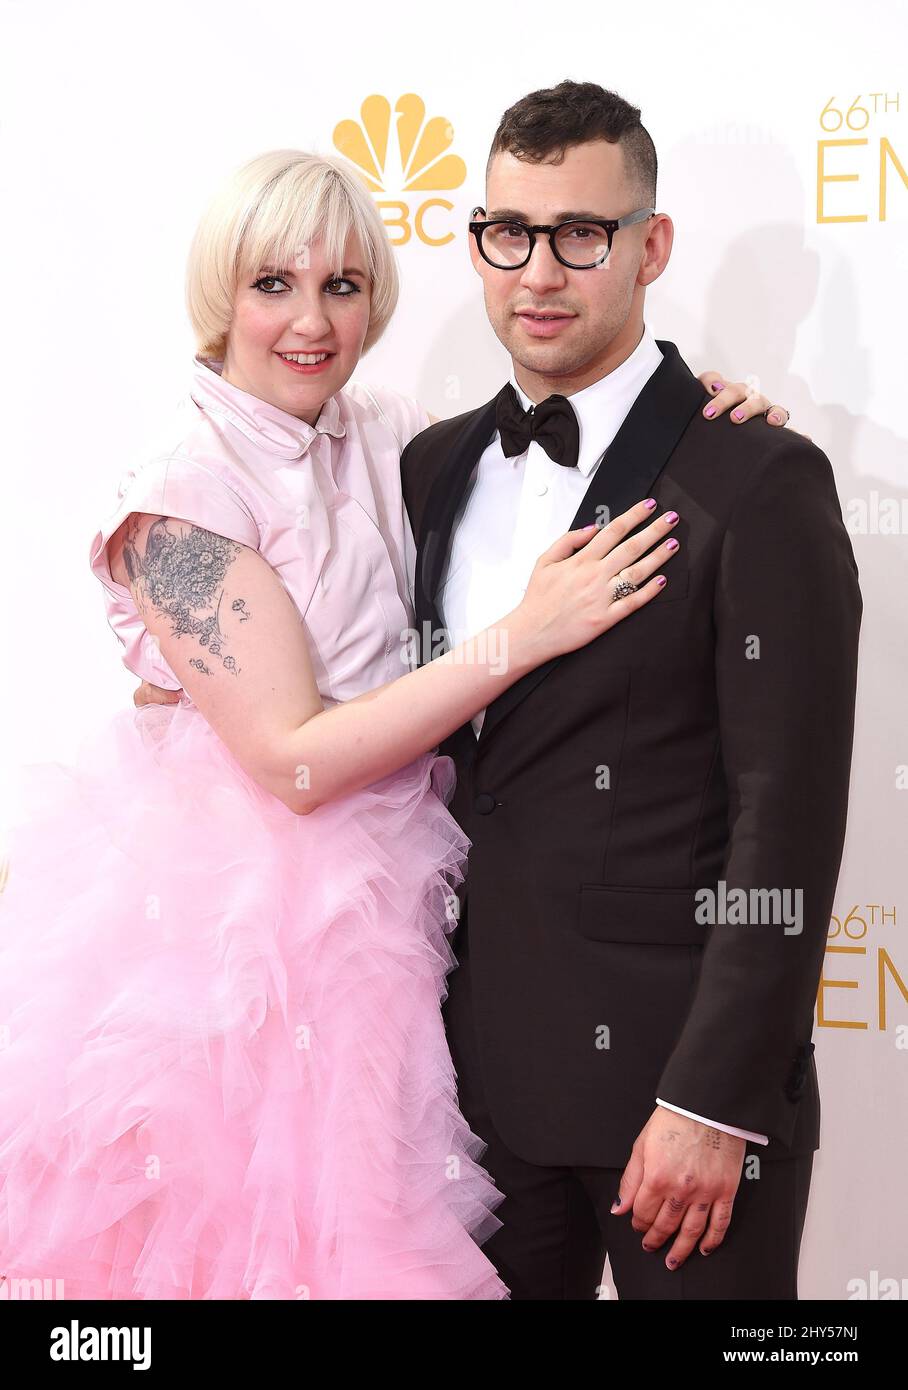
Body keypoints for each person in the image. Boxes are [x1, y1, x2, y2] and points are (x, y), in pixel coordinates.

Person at [0, 147, 701, 1302]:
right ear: (220, 295)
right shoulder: (180, 491)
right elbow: (293, 758)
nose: (311, 321)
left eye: (342, 285)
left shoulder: (381, 425)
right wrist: (521, 635)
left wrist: (707, 414)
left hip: (424, 903)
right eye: (272, 284)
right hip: (249, 940)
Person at [396, 80, 861, 1300]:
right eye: (508, 232)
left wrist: (712, 1097)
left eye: (579, 235)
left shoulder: (754, 477)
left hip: (675, 1103)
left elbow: (786, 820)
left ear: (649, 246)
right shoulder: (428, 466)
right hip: (464, 1096)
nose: (537, 272)